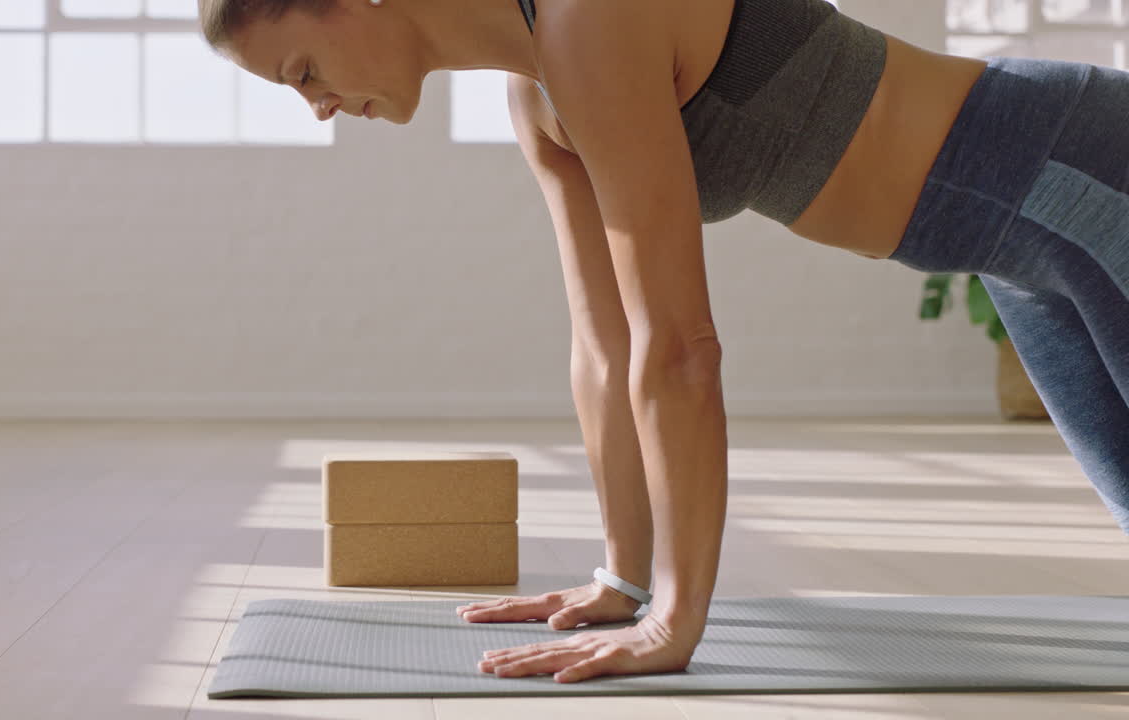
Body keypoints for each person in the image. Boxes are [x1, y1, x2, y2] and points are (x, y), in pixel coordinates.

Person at [198, 0, 1129, 684]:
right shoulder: (537, 98)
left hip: (1075, 169)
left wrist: (677, 621)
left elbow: (681, 348)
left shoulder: (589, 21)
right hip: (1017, 253)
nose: (317, 105)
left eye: (302, 72)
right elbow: (606, 348)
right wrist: (624, 579)